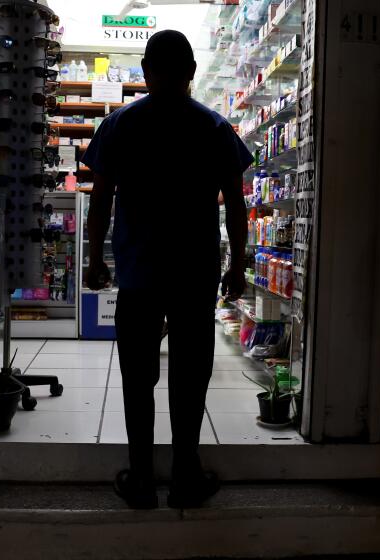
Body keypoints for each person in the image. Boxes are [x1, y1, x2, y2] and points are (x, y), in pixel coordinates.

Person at [81, 30, 252, 509]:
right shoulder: (215, 128)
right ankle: (184, 477)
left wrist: (95, 259)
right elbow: (236, 207)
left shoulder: (119, 126)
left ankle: (141, 479)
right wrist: (237, 264)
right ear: (192, 72)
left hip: (138, 274)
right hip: (195, 274)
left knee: (138, 378)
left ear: (144, 72)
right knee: (190, 377)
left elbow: (100, 202)